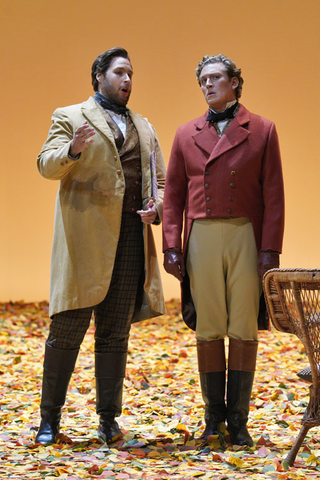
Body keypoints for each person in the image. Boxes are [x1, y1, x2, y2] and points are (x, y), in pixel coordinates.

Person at [36, 47, 166, 445]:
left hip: (130, 239)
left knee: (114, 334)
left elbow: (159, 181)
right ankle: (49, 420)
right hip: (84, 241)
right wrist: (72, 149)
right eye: (119, 72)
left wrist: (158, 208)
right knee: (66, 331)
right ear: (99, 76)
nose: (127, 80)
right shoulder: (70, 116)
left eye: (131, 74)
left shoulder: (143, 126)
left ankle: (108, 419)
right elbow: (45, 164)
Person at [162, 54, 284, 447]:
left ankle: (239, 420)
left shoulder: (262, 129)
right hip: (201, 236)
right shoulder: (185, 133)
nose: (208, 85)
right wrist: (171, 246)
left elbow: (274, 195)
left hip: (244, 234)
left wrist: (270, 250)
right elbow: (174, 196)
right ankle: (214, 418)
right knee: (210, 327)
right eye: (203, 80)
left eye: (216, 78)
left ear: (235, 82)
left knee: (245, 327)